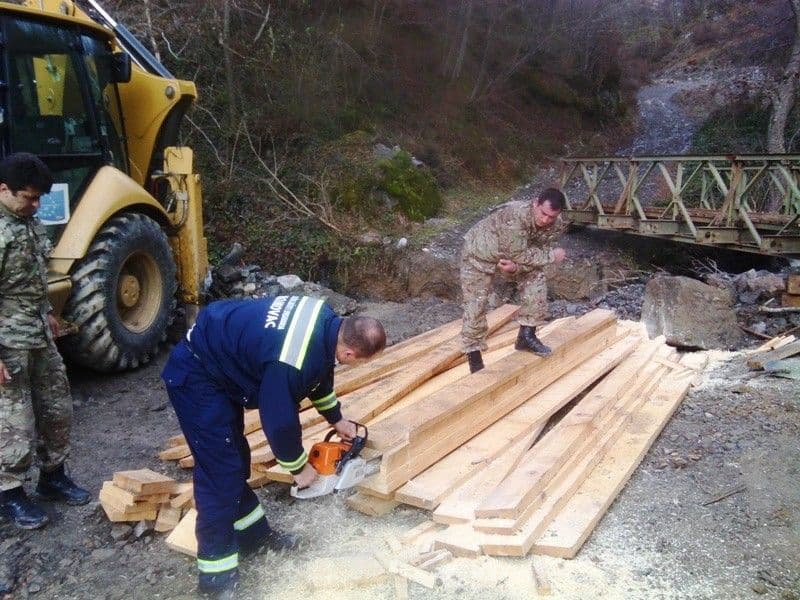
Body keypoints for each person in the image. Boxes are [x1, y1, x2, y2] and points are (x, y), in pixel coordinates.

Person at [161, 295, 386, 596]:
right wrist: (298, 466)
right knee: (220, 473)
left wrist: (336, 419)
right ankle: (215, 577)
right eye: (360, 361)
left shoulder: (327, 321)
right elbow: (278, 420)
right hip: (197, 373)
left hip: (223, 366)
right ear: (348, 352)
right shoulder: (291, 361)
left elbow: (318, 377)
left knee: (236, 460)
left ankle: (254, 538)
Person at [0, 153, 91, 532]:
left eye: (38, 198)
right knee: (13, 420)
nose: (35, 205)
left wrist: (48, 311)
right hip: (8, 342)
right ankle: (9, 493)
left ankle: (53, 475)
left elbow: (35, 276)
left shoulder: (28, 223)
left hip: (38, 331)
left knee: (56, 407)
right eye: (28, 197)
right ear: (3, 190)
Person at [460, 187, 568, 373]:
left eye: (551, 216)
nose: (545, 220)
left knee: (536, 278)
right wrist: (552, 256)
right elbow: (522, 253)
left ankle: (526, 335)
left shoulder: (555, 225)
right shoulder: (515, 217)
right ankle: (474, 357)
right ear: (535, 203)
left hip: (512, 259)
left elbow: (533, 256)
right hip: (479, 255)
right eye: (543, 213)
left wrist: (517, 268)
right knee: (475, 305)